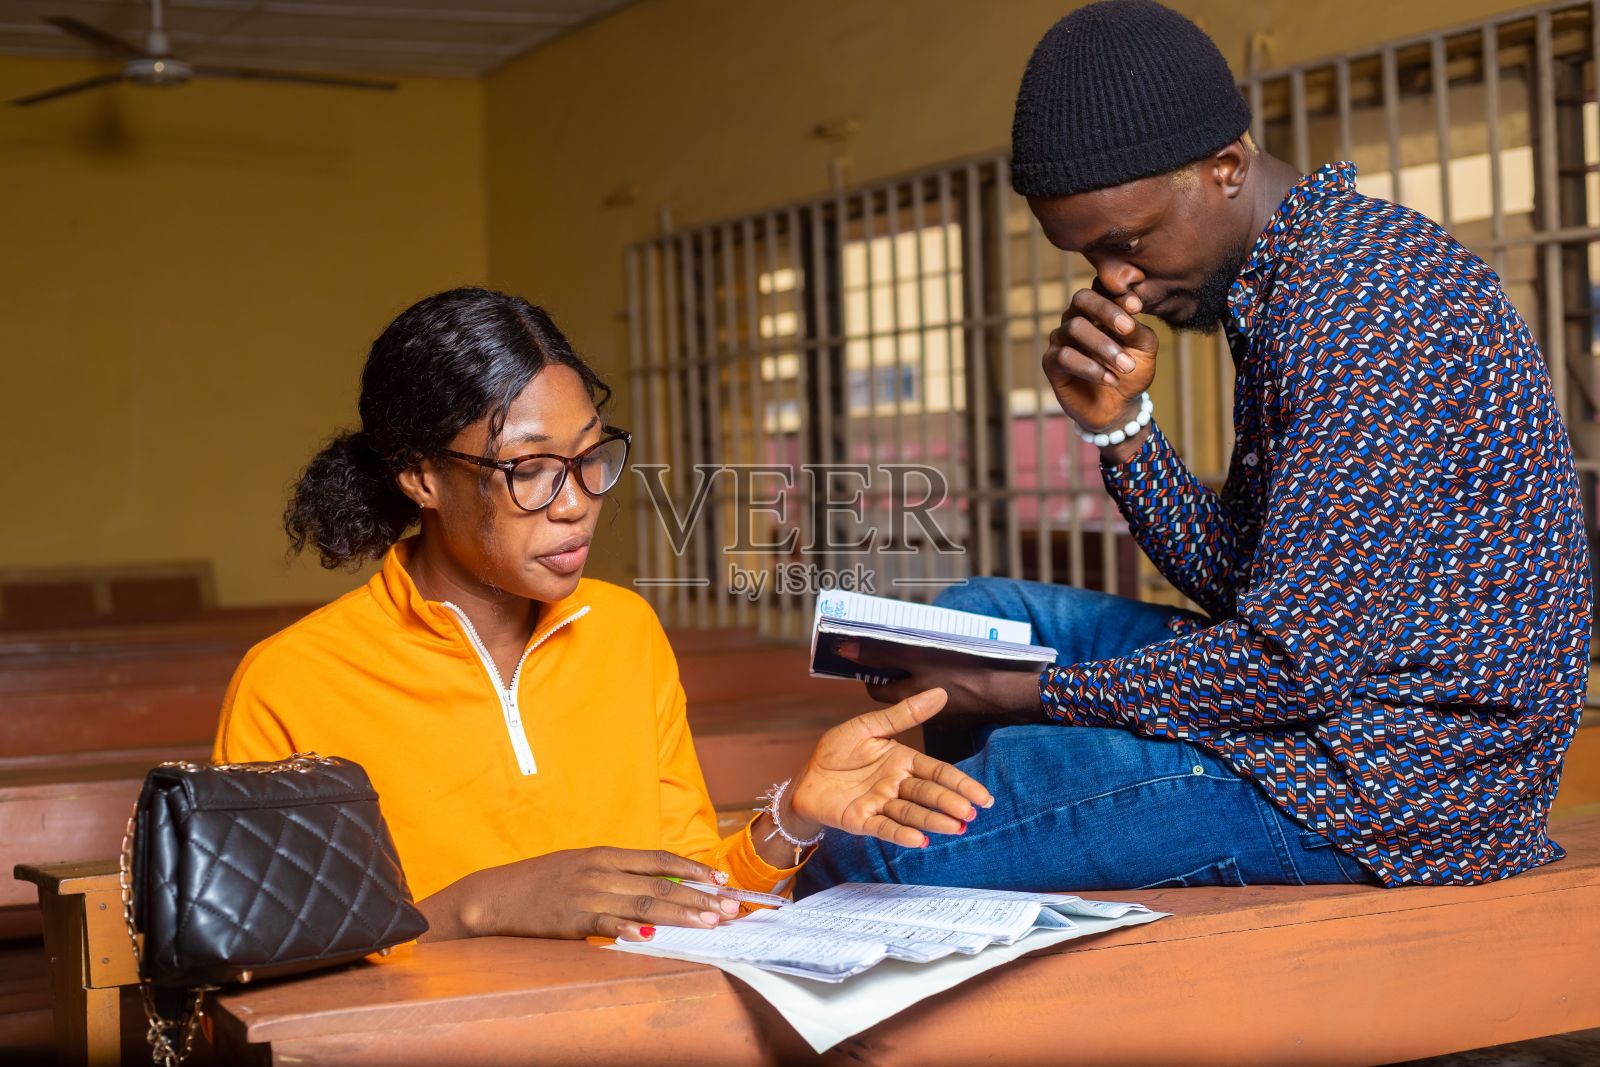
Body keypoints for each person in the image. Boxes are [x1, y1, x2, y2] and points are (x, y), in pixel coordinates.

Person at [801, 0, 1591, 893]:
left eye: (1126, 243)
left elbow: (1290, 665)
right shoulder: (1302, 277)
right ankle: (1008, 807)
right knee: (980, 618)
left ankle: (986, 817)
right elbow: (1247, 590)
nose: (1115, 282)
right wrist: (1121, 427)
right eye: (1086, 256)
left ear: (1225, 167)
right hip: (1329, 709)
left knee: (862, 852)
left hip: (1390, 786)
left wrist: (1031, 698)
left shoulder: (1359, 314)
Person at [214, 287, 992, 943]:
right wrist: (477, 907)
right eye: (530, 469)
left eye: (590, 456)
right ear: (420, 476)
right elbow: (272, 968)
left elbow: (684, 888)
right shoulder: (291, 683)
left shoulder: (624, 632)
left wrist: (793, 815)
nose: (579, 502)